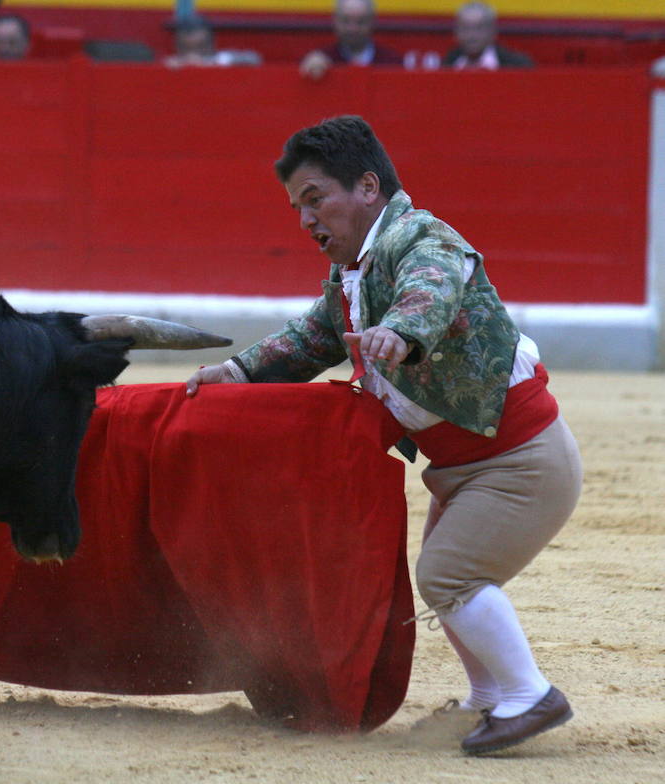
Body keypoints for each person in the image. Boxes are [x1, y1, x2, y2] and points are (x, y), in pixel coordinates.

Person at [186, 116, 581, 755]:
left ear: (367, 187)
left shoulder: (419, 236)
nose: (306, 220)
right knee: (451, 578)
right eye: (298, 208)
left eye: (316, 199)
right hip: (469, 466)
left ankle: (530, 694)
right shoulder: (355, 274)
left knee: (448, 576)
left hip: (521, 460)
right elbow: (312, 337)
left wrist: (400, 331)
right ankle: (489, 698)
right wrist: (238, 370)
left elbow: (433, 285)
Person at [299, 0, 403, 79]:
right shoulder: (322, 59)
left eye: (360, 21)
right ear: (335, 21)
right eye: (346, 21)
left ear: (372, 22)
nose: (353, 28)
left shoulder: (392, 62)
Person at [443, 2, 533, 70]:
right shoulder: (446, 65)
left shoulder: (517, 65)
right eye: (466, 28)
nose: (472, 36)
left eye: (479, 28)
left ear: (493, 31)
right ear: (456, 32)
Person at [163, 14, 262, 69]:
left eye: (200, 46)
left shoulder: (221, 58)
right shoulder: (173, 62)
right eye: (187, 48)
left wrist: (209, 62)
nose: (194, 53)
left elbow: (254, 59)